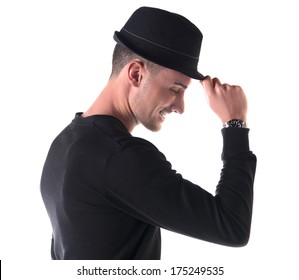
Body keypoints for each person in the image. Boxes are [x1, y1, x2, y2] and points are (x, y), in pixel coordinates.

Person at [40, 6, 257, 260]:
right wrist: (234, 124)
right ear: (136, 74)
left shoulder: (63, 144)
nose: (180, 108)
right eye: (175, 90)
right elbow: (232, 226)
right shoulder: (120, 159)